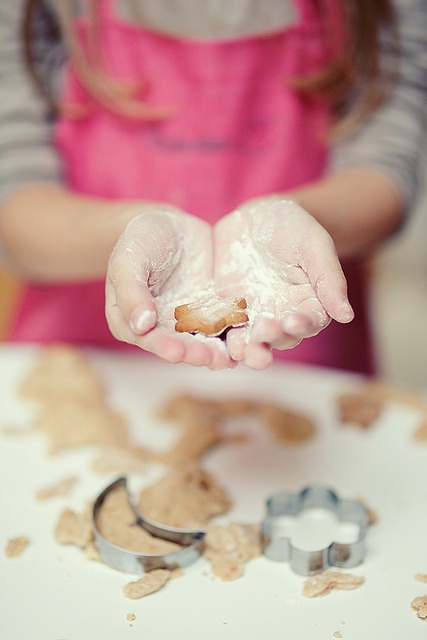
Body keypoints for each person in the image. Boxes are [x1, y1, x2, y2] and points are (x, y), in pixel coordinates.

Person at [0, 1, 425, 372]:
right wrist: (128, 233)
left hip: (297, 357)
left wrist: (297, 219)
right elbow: (14, 207)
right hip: (79, 360)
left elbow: (386, 168)